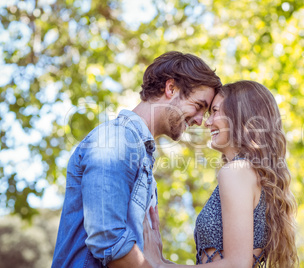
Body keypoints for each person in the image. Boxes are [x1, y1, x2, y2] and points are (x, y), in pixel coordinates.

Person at [52, 51, 222, 268]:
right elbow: (108, 241)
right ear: (171, 88)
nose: (200, 121)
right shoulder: (117, 138)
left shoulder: (139, 151)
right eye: (199, 106)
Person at [144, 81, 298, 268]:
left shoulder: (236, 172)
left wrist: (159, 266)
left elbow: (237, 265)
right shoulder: (253, 174)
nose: (207, 123)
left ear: (241, 116)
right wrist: (160, 261)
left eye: (215, 111)